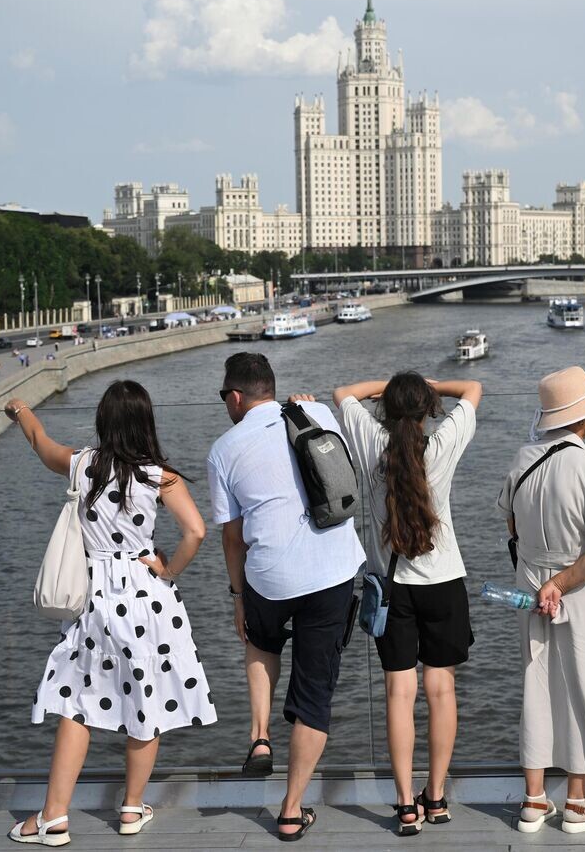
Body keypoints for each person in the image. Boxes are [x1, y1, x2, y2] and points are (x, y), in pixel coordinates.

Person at [5, 381, 215, 845]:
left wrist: (20, 409)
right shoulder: (160, 476)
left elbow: (40, 441)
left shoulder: (82, 464)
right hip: (146, 595)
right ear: (146, 422)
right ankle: (131, 809)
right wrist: (168, 570)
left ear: (103, 420)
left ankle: (54, 816)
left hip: (95, 595)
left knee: (75, 700)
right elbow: (196, 531)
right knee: (147, 696)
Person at [206, 352, 365, 842]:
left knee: (261, 640)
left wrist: (238, 595)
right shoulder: (315, 412)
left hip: (269, 578)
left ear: (236, 397)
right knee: (314, 694)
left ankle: (259, 736)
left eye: (224, 397)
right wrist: (307, 406)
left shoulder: (223, 450)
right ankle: (292, 811)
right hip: (333, 573)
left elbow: (232, 538)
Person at [333, 373, 480, 835]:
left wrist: (386, 385)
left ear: (386, 409)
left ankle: (404, 804)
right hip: (444, 583)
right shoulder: (442, 445)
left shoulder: (371, 442)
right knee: (441, 691)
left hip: (392, 589)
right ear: (427, 410)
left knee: (399, 693)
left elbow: (342, 394)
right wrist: (433, 384)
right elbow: (473, 389)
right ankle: (435, 797)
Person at [499, 367, 585, 835]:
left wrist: (542, 576)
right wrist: (560, 582)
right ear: (581, 417)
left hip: (529, 584)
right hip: (578, 587)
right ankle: (578, 803)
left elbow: (512, 527)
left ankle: (534, 800)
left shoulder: (522, 459)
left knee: (536, 684)